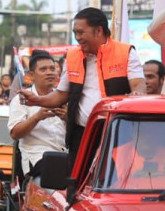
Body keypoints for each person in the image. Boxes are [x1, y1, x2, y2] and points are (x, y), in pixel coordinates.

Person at [19, 8, 145, 157]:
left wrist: (138, 94)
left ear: (98, 31)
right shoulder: (73, 56)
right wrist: (37, 100)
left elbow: (138, 85)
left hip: (118, 133)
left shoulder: (126, 52)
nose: (77, 37)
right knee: (78, 179)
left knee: (114, 178)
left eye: (80, 32)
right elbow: (61, 95)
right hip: (81, 136)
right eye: (75, 33)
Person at [8, 50, 67, 180]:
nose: (50, 72)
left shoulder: (64, 97)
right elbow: (15, 134)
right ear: (31, 75)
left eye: (52, 68)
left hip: (65, 157)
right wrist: (37, 117)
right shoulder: (21, 99)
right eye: (43, 69)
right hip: (37, 160)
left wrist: (68, 118)